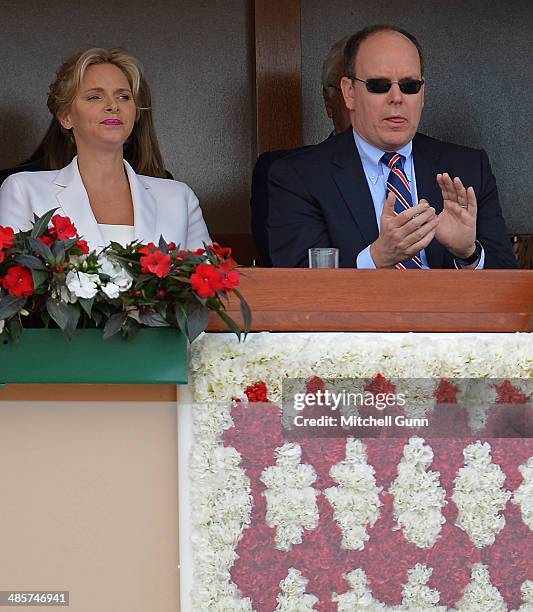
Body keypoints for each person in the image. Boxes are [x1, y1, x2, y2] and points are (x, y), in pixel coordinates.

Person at [267, 25, 517, 269]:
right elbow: (300, 287)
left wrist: (469, 254)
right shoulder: (299, 177)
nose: (396, 98)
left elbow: (509, 285)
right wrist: (376, 258)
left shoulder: (468, 167)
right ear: (349, 92)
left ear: (422, 94)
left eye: (409, 86)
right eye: (379, 85)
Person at [0, 48, 210, 250]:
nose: (113, 105)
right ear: (66, 117)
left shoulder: (178, 197)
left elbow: (210, 280)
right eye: (94, 97)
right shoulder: (23, 189)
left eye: (123, 97)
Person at [251, 36, 351, 266]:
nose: (365, 102)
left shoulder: (439, 165)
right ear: (328, 100)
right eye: (349, 89)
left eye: (376, 87)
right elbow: (290, 266)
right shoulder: (286, 174)